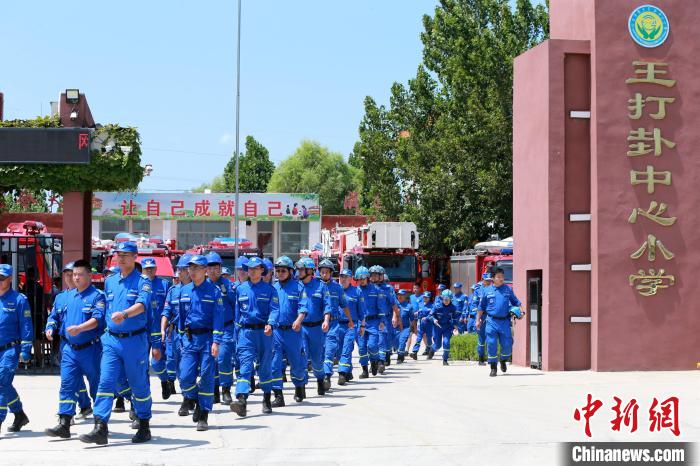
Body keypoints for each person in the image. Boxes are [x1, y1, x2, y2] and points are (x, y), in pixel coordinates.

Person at [79, 241, 159, 445]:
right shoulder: (111, 281)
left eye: (126, 255)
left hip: (134, 341)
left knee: (138, 384)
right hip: (112, 340)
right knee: (106, 382)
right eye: (118, 254)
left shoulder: (143, 281)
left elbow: (142, 305)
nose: (121, 258)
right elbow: (106, 309)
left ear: (134, 257)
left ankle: (143, 424)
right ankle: (100, 427)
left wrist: (124, 314)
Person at [45, 260, 105, 438]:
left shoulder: (97, 296)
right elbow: (54, 316)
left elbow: (97, 319)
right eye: (74, 274)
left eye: (79, 274)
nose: (75, 278)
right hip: (70, 350)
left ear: (89, 276)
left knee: (96, 387)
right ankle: (64, 423)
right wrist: (50, 328)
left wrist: (80, 328)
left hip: (91, 349)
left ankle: (100, 425)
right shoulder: (67, 297)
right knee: (67, 385)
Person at [177, 255, 224, 431]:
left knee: (206, 376)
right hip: (189, 339)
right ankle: (195, 399)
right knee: (185, 377)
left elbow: (219, 318)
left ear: (205, 270)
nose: (192, 271)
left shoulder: (214, 291)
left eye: (196, 268)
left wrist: (216, 341)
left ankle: (204, 413)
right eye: (191, 268)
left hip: (207, 339)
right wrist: (181, 336)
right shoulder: (184, 291)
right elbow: (181, 316)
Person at [230, 257, 279, 417]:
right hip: (246, 333)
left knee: (264, 366)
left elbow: (274, 309)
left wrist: (270, 324)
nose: (251, 271)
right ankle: (242, 400)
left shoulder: (270, 290)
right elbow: (237, 314)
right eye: (249, 268)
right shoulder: (240, 289)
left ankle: (266, 398)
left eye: (255, 268)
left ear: (261, 270)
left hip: (264, 332)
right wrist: (236, 335)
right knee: (244, 366)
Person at [46, 262, 93, 420]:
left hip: (88, 347)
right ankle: (68, 414)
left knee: (88, 380)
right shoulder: (60, 297)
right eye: (66, 274)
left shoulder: (90, 295)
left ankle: (87, 405)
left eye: (71, 273)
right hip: (67, 345)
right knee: (69, 379)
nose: (69, 277)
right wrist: (50, 327)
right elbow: (54, 316)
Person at [0, 264, 33, 437]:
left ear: (10, 279)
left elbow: (26, 325)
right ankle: (19, 414)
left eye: (2, 278)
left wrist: (26, 349)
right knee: (4, 385)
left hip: (10, 349)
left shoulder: (19, 299)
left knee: (1, 382)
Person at [270, 256, 308, 406]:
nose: (280, 273)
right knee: (274, 364)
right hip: (277, 332)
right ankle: (278, 395)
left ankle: (299, 386)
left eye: (283, 270)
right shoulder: (273, 288)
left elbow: (303, 307)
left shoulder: (299, 288)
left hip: (293, 332)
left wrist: (298, 320)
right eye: (277, 270)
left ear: (291, 271)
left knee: (297, 364)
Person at [476, 268, 524, 377]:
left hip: (505, 322)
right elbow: (481, 307)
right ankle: (493, 368)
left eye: (502, 276)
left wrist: (522, 312)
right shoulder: (487, 291)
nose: (501, 278)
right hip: (491, 321)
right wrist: (477, 320)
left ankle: (503, 359)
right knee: (492, 344)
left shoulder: (508, 289)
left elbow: (517, 302)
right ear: (493, 278)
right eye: (498, 277)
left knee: (508, 345)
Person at [205, 252, 236, 406]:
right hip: (208, 329)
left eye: (216, 267)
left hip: (226, 327)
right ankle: (215, 391)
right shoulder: (203, 285)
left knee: (223, 358)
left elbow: (235, 305)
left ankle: (226, 389)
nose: (213, 271)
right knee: (211, 360)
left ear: (220, 268)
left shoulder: (227, 284)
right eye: (210, 268)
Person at [319, 259, 353, 390]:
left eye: (327, 272)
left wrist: (350, 320)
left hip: (333, 324)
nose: (324, 274)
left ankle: (327, 376)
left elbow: (344, 306)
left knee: (329, 351)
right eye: (322, 272)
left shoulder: (337, 288)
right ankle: (320, 377)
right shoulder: (315, 286)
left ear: (331, 273)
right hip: (317, 324)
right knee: (319, 353)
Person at [141, 258, 171, 401]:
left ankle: (165, 380)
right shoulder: (138, 284)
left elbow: (169, 307)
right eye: (146, 268)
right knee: (142, 363)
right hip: (141, 329)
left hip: (158, 328)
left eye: (151, 268)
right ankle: (145, 394)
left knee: (157, 361)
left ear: (156, 269)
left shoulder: (164, 285)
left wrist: (168, 325)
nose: (149, 270)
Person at [163, 254, 192, 401]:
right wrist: (163, 329)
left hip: (190, 333)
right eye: (178, 269)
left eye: (181, 269)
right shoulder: (173, 290)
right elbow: (166, 312)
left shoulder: (197, 289)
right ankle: (171, 382)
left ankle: (187, 395)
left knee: (185, 363)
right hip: (173, 332)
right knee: (171, 359)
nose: (179, 272)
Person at [337, 268, 365, 385]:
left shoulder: (357, 292)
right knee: (338, 350)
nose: (343, 279)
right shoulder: (336, 290)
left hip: (351, 325)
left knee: (347, 348)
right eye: (341, 277)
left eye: (346, 277)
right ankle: (348, 370)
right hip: (337, 325)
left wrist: (362, 325)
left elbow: (362, 311)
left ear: (350, 279)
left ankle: (342, 374)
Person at [355, 266, 382, 378]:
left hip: (373, 322)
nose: (361, 281)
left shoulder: (376, 290)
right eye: (359, 279)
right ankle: (365, 370)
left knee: (372, 345)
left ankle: (375, 361)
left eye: (363, 278)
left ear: (368, 278)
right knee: (361, 348)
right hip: (360, 323)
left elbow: (381, 307)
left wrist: (382, 321)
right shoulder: (356, 291)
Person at [430, 290, 459, 365]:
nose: (446, 301)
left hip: (447, 327)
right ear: (442, 299)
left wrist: (456, 326)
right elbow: (430, 315)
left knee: (446, 342)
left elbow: (455, 318)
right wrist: (434, 319)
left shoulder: (453, 308)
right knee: (438, 345)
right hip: (437, 327)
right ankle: (432, 350)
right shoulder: (437, 306)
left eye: (448, 300)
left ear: (451, 299)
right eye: (444, 299)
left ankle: (445, 359)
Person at [472, 275, 492, 366]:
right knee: (481, 338)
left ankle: (491, 358)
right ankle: (481, 359)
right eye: (486, 280)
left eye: (489, 280)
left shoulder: (493, 289)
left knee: (491, 337)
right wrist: (478, 318)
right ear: (483, 280)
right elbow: (475, 303)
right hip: (481, 316)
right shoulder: (478, 290)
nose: (488, 282)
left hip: (491, 316)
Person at [409, 292, 434, 360]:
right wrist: (415, 314)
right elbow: (419, 312)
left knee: (429, 339)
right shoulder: (420, 304)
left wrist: (427, 318)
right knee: (418, 338)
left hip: (429, 324)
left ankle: (429, 350)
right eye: (424, 297)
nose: (425, 298)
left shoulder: (432, 305)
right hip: (421, 324)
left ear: (429, 298)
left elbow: (433, 315)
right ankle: (415, 352)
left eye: (426, 297)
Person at [395, 290, 415, 363]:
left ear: (405, 296)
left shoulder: (409, 306)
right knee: (396, 343)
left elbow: (412, 319)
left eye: (401, 295)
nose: (399, 296)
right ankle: (401, 354)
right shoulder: (395, 305)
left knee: (402, 341)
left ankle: (400, 357)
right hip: (395, 328)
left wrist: (413, 329)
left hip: (405, 328)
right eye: (398, 295)